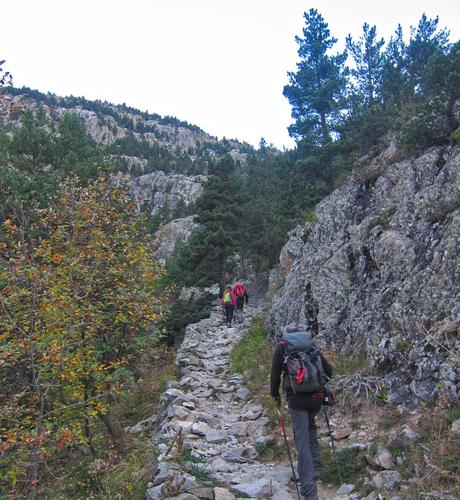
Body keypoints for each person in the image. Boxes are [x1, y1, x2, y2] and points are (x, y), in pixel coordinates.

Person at [270, 324, 333, 500]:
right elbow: (329, 370)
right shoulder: (311, 346)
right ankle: (317, 467)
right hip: (317, 397)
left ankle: (309, 488)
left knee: (302, 440)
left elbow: (274, 376)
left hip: (297, 399)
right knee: (311, 427)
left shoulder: (283, 348)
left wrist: (275, 394)